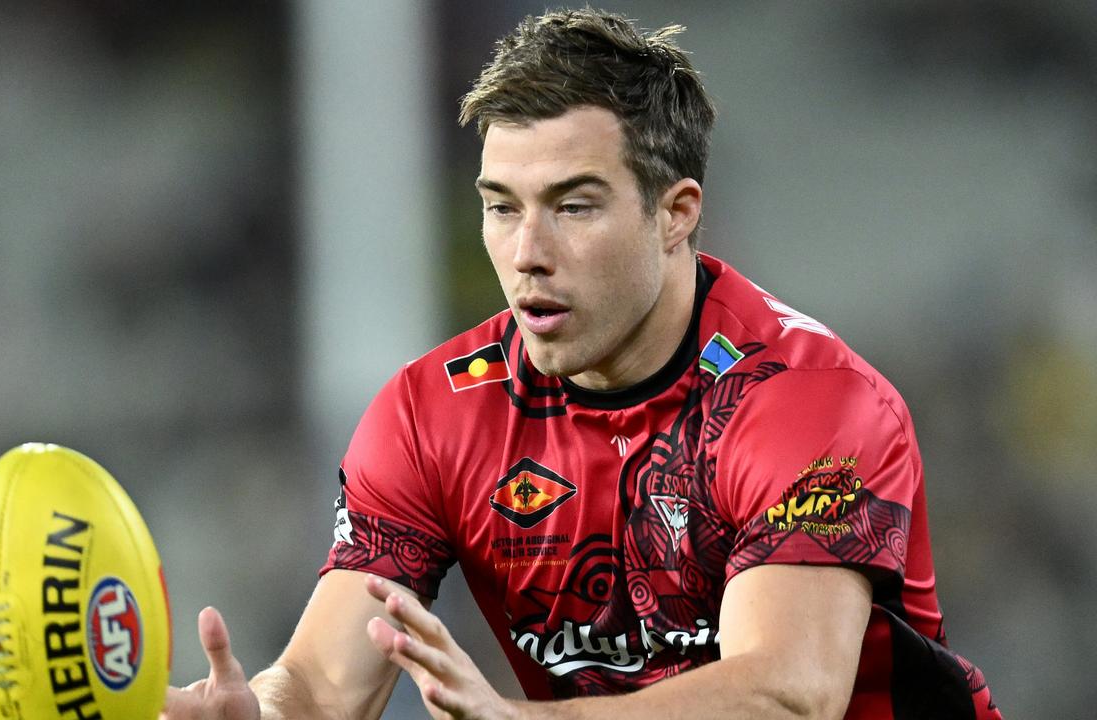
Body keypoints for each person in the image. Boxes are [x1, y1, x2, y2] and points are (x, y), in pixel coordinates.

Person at [162, 8, 1000, 720]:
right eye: (501, 207)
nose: (527, 252)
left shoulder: (806, 400)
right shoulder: (434, 414)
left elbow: (786, 695)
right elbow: (320, 682)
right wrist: (263, 711)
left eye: (574, 205)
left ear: (675, 214)